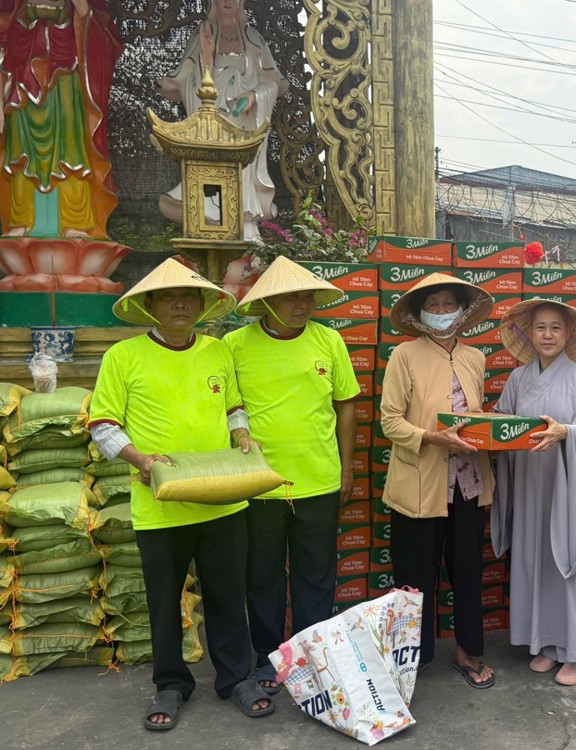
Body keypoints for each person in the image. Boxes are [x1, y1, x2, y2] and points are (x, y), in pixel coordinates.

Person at [88, 258, 274, 730]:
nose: (179, 304)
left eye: (188, 297)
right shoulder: (123, 356)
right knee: (164, 601)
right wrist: (140, 460)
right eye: (168, 297)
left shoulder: (216, 351)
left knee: (227, 596)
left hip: (221, 499)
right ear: (150, 306)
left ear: (202, 304)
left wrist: (242, 434)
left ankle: (236, 678)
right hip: (160, 504)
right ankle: (171, 684)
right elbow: (103, 425)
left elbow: (233, 407)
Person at [224, 256, 360, 694]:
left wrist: (347, 466)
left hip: (319, 478)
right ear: (267, 302)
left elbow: (346, 406)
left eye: (308, 297)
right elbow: (227, 408)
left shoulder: (329, 340)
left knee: (316, 574)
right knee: (262, 575)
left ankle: (311, 656)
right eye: (291, 298)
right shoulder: (235, 345)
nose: (303, 305)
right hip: (258, 482)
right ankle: (268, 657)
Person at [380, 273, 497, 688]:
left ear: (462, 311)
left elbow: (475, 415)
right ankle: (412, 659)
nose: (443, 312)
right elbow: (390, 421)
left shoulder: (475, 357)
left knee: (467, 570)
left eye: (450, 304)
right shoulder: (404, 355)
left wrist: (488, 428)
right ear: (420, 314)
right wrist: (432, 437)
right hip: (419, 485)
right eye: (434, 305)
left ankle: (468, 651)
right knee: (413, 577)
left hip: (468, 484)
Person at [492, 299, 576, 687]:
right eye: (540, 327)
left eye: (556, 327)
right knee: (536, 561)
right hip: (529, 484)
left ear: (568, 334)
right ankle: (546, 643)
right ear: (528, 333)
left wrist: (564, 432)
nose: (547, 335)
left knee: (568, 564)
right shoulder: (518, 379)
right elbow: (502, 424)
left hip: (567, 485)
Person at [158, 0, 288, 240]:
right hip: (212, 125)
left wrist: (254, 95)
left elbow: (273, 84)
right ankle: (207, 220)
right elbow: (186, 81)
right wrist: (206, 58)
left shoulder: (254, 39)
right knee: (209, 170)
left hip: (245, 124)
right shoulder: (203, 35)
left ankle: (246, 225)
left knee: (242, 167)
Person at [0, 0, 122, 238]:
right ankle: (23, 219)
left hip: (65, 85)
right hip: (22, 87)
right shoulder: (12, 6)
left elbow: (101, 37)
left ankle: (75, 219)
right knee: (22, 152)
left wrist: (83, 10)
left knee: (69, 150)